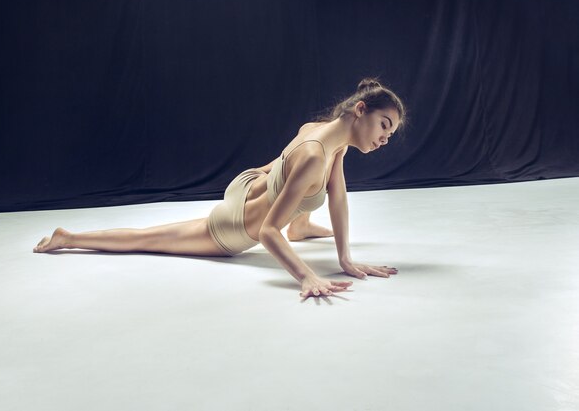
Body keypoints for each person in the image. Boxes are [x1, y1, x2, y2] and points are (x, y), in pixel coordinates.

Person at [34, 77, 406, 299]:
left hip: (252, 181)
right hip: (234, 225)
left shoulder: (323, 133)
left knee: (312, 187)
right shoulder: (314, 156)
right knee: (147, 238)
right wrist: (307, 275)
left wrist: (345, 259)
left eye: (391, 132)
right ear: (360, 110)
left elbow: (337, 197)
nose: (385, 138)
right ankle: (68, 237)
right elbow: (267, 231)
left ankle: (302, 224)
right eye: (384, 125)